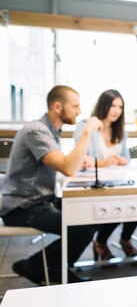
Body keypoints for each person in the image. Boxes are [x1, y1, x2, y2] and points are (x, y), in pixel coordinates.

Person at [0, 85, 102, 284]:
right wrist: (87, 132)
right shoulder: (36, 131)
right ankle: (33, 265)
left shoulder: (50, 130)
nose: (79, 111)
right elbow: (68, 168)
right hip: (21, 207)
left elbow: (66, 164)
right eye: (75, 106)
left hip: (42, 200)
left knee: (89, 215)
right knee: (82, 228)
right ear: (57, 107)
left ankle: (55, 269)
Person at [74, 89, 137, 261]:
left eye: (120, 106)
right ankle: (101, 242)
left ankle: (125, 239)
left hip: (117, 180)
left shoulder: (120, 130)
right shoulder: (86, 127)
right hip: (94, 184)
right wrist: (105, 162)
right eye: (112, 105)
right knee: (117, 204)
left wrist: (122, 161)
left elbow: (126, 157)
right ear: (103, 105)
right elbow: (80, 159)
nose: (116, 110)